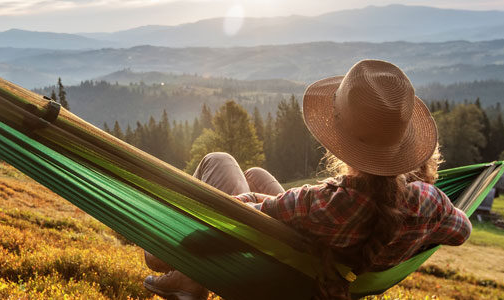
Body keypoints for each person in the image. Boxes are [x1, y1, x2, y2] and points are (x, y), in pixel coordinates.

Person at [142, 59, 472, 300]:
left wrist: (181, 224)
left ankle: (188, 278)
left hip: (274, 271)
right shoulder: (430, 204)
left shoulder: (322, 205)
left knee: (219, 161)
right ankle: (187, 280)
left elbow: (244, 217)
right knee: (255, 174)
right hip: (314, 265)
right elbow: (461, 232)